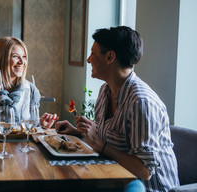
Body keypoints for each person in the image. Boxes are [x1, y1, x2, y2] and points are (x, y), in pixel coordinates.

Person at [55, 26, 179, 192]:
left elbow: (145, 170)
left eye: (93, 53)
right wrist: (78, 132)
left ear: (110, 57)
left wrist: (101, 146)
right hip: (114, 179)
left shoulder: (141, 102)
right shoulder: (105, 91)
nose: (88, 60)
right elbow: (111, 138)